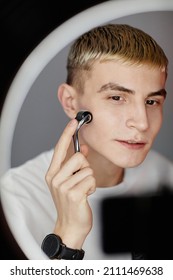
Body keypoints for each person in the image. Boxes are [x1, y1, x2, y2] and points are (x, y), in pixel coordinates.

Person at [1, 23, 173, 260]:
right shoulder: (13, 200)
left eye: (152, 102)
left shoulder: (167, 177)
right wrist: (67, 237)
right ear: (71, 103)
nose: (142, 123)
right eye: (116, 97)